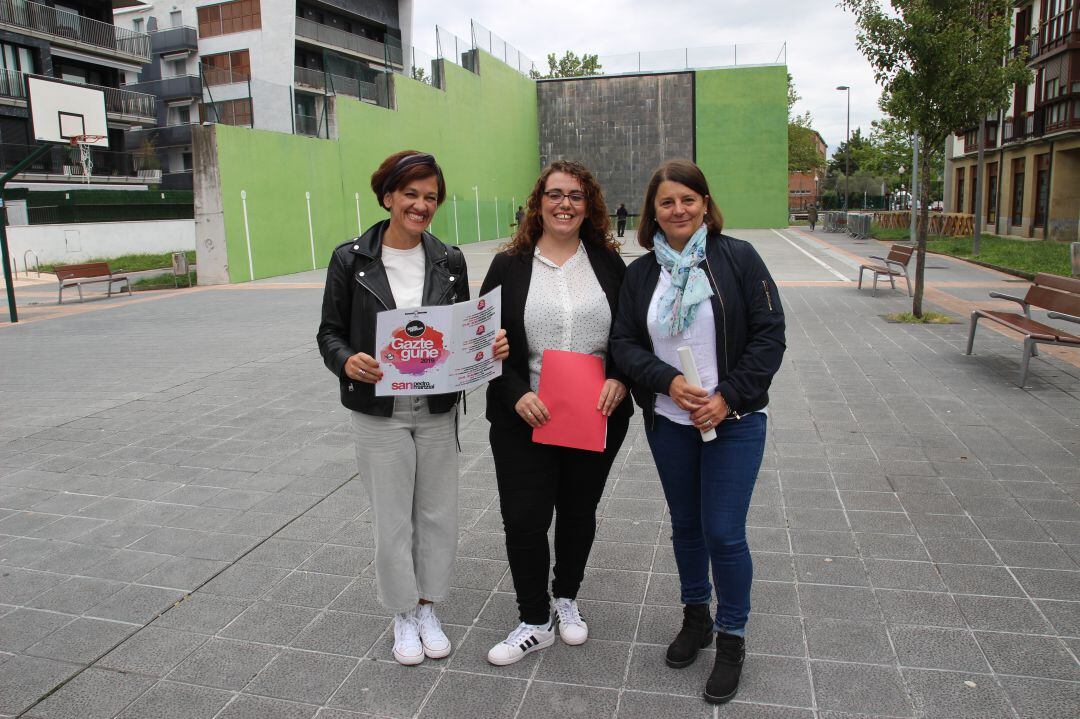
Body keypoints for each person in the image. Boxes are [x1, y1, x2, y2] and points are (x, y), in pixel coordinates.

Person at [317, 150, 508, 666]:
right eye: (411, 194)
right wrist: (346, 361)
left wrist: (486, 347)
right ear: (388, 196)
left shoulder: (449, 260)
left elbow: (461, 332)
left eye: (430, 197)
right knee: (392, 518)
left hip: (437, 407)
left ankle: (428, 606)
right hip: (379, 409)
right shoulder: (351, 259)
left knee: (438, 513)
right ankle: (401, 611)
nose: (421, 205)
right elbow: (329, 332)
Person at [610, 159, 785, 704]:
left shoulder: (737, 258)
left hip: (733, 422)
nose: (679, 209)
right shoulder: (641, 275)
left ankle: (732, 637)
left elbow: (769, 335)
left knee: (724, 532)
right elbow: (624, 345)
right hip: (670, 422)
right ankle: (696, 617)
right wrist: (667, 381)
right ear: (653, 213)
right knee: (686, 527)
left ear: (705, 204)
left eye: (688, 199)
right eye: (667, 202)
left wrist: (727, 394)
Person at [480, 161, 633, 666]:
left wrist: (620, 376)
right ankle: (532, 618)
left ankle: (566, 597)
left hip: (595, 413)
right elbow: (482, 343)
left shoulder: (610, 264)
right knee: (524, 519)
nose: (564, 204)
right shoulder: (509, 266)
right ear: (538, 203)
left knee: (577, 512)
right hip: (526, 415)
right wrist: (515, 390)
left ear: (589, 206)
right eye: (554, 194)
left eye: (575, 195)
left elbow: (632, 338)